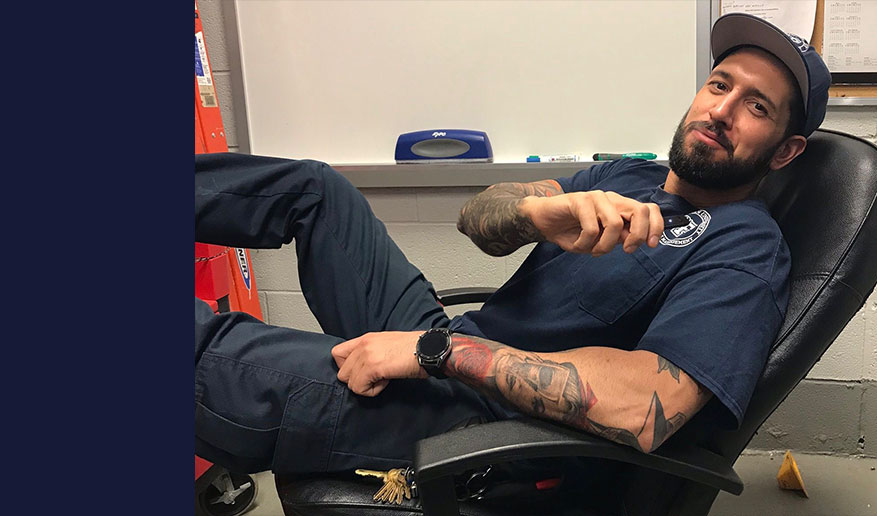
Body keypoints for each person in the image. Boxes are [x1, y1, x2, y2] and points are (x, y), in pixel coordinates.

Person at [195, 12, 831, 484]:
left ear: (785, 150)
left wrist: (432, 351)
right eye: (720, 85)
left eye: (756, 106)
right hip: (451, 355)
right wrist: (535, 211)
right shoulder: (624, 177)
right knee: (316, 188)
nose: (722, 111)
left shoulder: (747, 245)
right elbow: (478, 219)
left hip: (483, 428)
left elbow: (646, 407)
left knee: (209, 350)